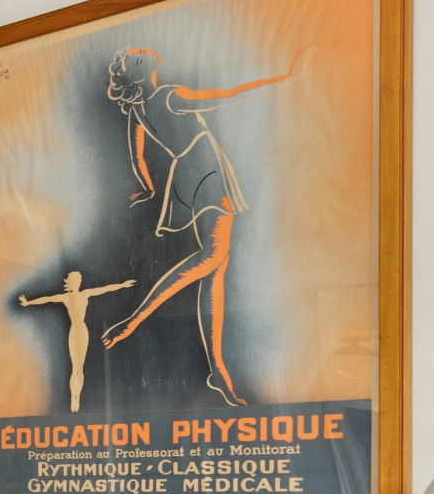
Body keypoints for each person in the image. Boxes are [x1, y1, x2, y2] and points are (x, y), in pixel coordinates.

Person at [96, 45, 297, 407]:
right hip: (206, 170)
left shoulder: (138, 109)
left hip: (185, 176)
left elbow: (136, 156)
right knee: (214, 255)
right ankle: (135, 319)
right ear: (143, 70)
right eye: (142, 55)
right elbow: (231, 96)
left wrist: (149, 188)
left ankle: (217, 371)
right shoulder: (171, 97)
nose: (148, 52)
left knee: (215, 273)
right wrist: (285, 78)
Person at [18, 270, 134, 413]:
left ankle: (77, 394)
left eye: (79, 280)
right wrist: (28, 302)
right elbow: (47, 299)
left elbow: (105, 289)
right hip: (74, 331)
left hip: (82, 330)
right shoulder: (66, 297)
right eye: (75, 280)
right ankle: (73, 395)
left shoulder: (85, 294)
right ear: (70, 283)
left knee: (80, 367)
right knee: (75, 367)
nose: (78, 282)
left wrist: (123, 284)